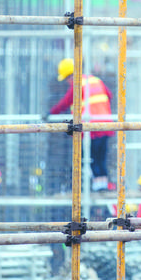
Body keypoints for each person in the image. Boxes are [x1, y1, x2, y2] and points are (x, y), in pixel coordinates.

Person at [48, 58, 115, 192]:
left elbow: (65, 103)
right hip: (106, 126)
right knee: (101, 157)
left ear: (69, 76)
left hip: (92, 128)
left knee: (90, 157)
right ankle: (102, 184)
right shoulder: (95, 80)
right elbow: (110, 95)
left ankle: (98, 187)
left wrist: (50, 114)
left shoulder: (77, 85)